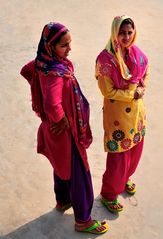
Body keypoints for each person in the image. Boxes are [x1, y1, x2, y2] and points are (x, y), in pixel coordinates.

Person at [20, 22, 108, 234]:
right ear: (50, 46)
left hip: (51, 132)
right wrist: (60, 119)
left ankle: (63, 201)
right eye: (63, 45)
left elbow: (26, 70)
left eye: (70, 44)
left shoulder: (43, 62)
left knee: (61, 167)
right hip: (66, 134)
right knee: (81, 174)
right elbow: (52, 103)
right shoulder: (54, 72)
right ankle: (83, 221)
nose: (69, 49)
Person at [95, 15, 150, 213]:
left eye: (129, 32)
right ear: (114, 33)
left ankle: (125, 177)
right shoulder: (105, 60)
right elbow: (107, 91)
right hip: (118, 117)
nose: (126, 37)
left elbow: (145, 72)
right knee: (118, 156)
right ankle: (109, 194)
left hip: (136, 114)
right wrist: (132, 93)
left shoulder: (137, 54)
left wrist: (141, 87)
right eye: (122, 33)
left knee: (134, 151)